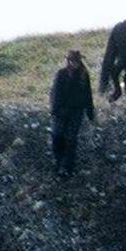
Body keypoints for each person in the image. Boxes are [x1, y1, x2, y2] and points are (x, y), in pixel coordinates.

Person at [49, 49, 96, 177]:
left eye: (76, 61)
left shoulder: (83, 75)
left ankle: (67, 167)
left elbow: (88, 93)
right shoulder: (61, 74)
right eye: (72, 61)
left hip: (76, 111)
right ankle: (58, 163)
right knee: (57, 136)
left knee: (71, 138)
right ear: (69, 61)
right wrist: (55, 110)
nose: (74, 63)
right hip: (61, 111)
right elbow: (55, 93)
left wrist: (90, 111)